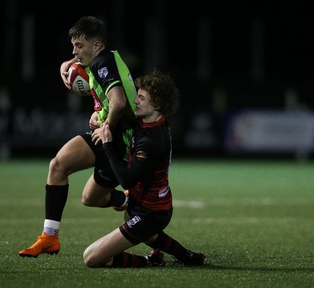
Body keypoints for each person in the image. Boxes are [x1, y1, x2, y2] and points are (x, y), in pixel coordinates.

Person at [19, 16, 137, 257]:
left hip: (121, 143)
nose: (74, 51)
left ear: (97, 46)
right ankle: (49, 238)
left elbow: (119, 101)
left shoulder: (103, 64)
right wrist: (67, 63)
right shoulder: (101, 57)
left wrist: (106, 125)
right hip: (105, 135)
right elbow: (106, 98)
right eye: (72, 45)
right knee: (58, 165)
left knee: (90, 198)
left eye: (79, 46)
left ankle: (129, 202)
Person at [82, 70, 206, 268]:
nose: (136, 101)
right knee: (131, 220)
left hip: (151, 213)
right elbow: (119, 113)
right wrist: (98, 115)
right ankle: (186, 256)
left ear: (157, 105)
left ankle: (149, 260)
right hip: (148, 201)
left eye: (141, 98)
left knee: (92, 257)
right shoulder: (152, 120)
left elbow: (126, 179)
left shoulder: (151, 141)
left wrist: (107, 144)